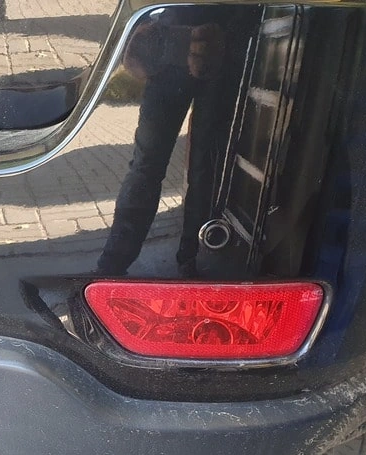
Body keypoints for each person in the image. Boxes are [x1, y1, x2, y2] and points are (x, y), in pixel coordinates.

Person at [96, 8, 255, 277]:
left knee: (157, 165)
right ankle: (188, 259)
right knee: (198, 166)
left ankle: (116, 263)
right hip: (200, 48)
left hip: (191, 47)